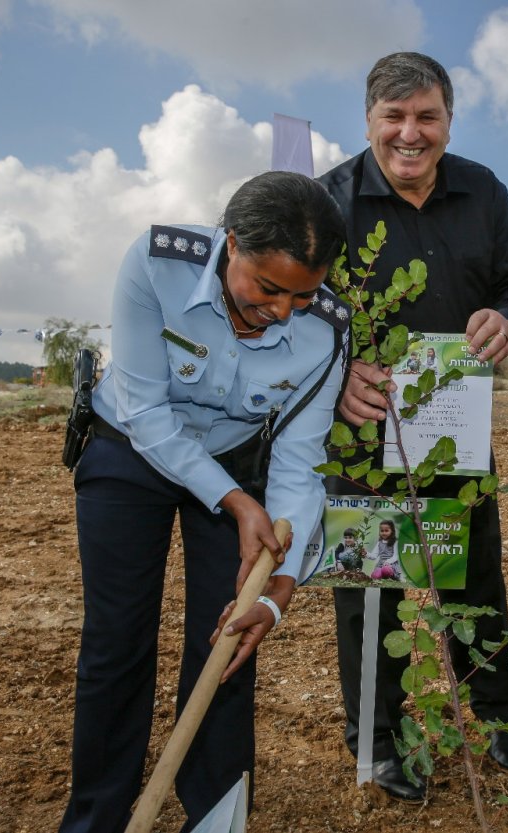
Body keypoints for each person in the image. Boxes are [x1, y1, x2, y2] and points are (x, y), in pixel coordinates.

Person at [59, 171, 350, 833]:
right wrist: (235, 503)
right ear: (230, 244)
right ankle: (96, 819)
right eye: (267, 287)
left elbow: (300, 467)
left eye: (302, 296)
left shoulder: (327, 332)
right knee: (116, 643)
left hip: (236, 462)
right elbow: (145, 412)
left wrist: (276, 590)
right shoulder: (155, 263)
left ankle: (216, 820)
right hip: (129, 449)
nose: (281, 311)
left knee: (227, 642)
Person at [318, 51, 508, 802]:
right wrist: (336, 373)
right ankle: (375, 741)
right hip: (363, 441)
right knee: (370, 592)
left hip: (456, 429)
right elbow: (294, 307)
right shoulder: (328, 202)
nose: (411, 134)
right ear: (370, 120)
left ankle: (499, 714)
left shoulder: (485, 192)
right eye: (395, 118)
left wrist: (505, 318)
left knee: (475, 578)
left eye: (427, 117)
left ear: (447, 119)